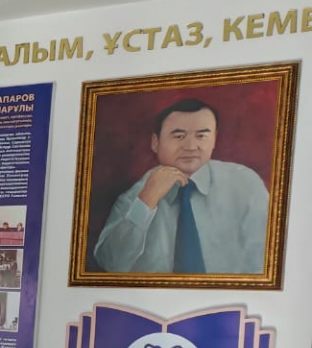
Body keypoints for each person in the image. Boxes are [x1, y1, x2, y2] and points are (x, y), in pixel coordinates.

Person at [93, 97, 269, 275]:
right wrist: (146, 201)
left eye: (201, 136)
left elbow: (265, 261)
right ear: (155, 142)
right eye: (179, 136)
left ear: (214, 139)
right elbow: (110, 263)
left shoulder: (245, 185)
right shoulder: (139, 193)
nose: (191, 147)